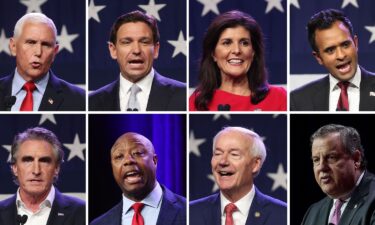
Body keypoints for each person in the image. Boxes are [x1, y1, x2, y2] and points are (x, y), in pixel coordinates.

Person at [189, 10, 286, 111]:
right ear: (213, 54)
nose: (237, 50)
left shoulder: (279, 97)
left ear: (253, 52)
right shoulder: (197, 102)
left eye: (244, 43)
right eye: (227, 43)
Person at [89, 10, 186, 111]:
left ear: (156, 49)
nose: (136, 50)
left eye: (144, 42)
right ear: (113, 50)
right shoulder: (92, 103)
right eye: (126, 42)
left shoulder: (183, 96)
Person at [190, 127, 286, 225]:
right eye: (218, 153)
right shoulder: (191, 213)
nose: (223, 161)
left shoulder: (282, 215)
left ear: (255, 164)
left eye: (234, 154)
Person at [90, 132, 186, 225]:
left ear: (154, 161)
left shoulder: (188, 211)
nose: (128, 161)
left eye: (137, 153)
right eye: (119, 156)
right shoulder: (99, 223)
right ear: (112, 167)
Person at [290, 9, 375, 111]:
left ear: (355, 44)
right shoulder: (298, 100)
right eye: (330, 50)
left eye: (345, 45)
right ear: (318, 58)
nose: (341, 55)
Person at [0, 13, 85, 111]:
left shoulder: (80, 100)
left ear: (54, 52)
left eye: (46, 45)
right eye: (31, 42)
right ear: (13, 47)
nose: (38, 52)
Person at [0, 127, 85, 225]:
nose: (36, 171)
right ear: (15, 168)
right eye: (28, 160)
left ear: (56, 168)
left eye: (44, 161)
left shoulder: (81, 212)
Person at [301, 124, 375, 225]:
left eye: (331, 157)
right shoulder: (313, 213)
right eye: (316, 160)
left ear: (356, 159)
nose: (322, 167)